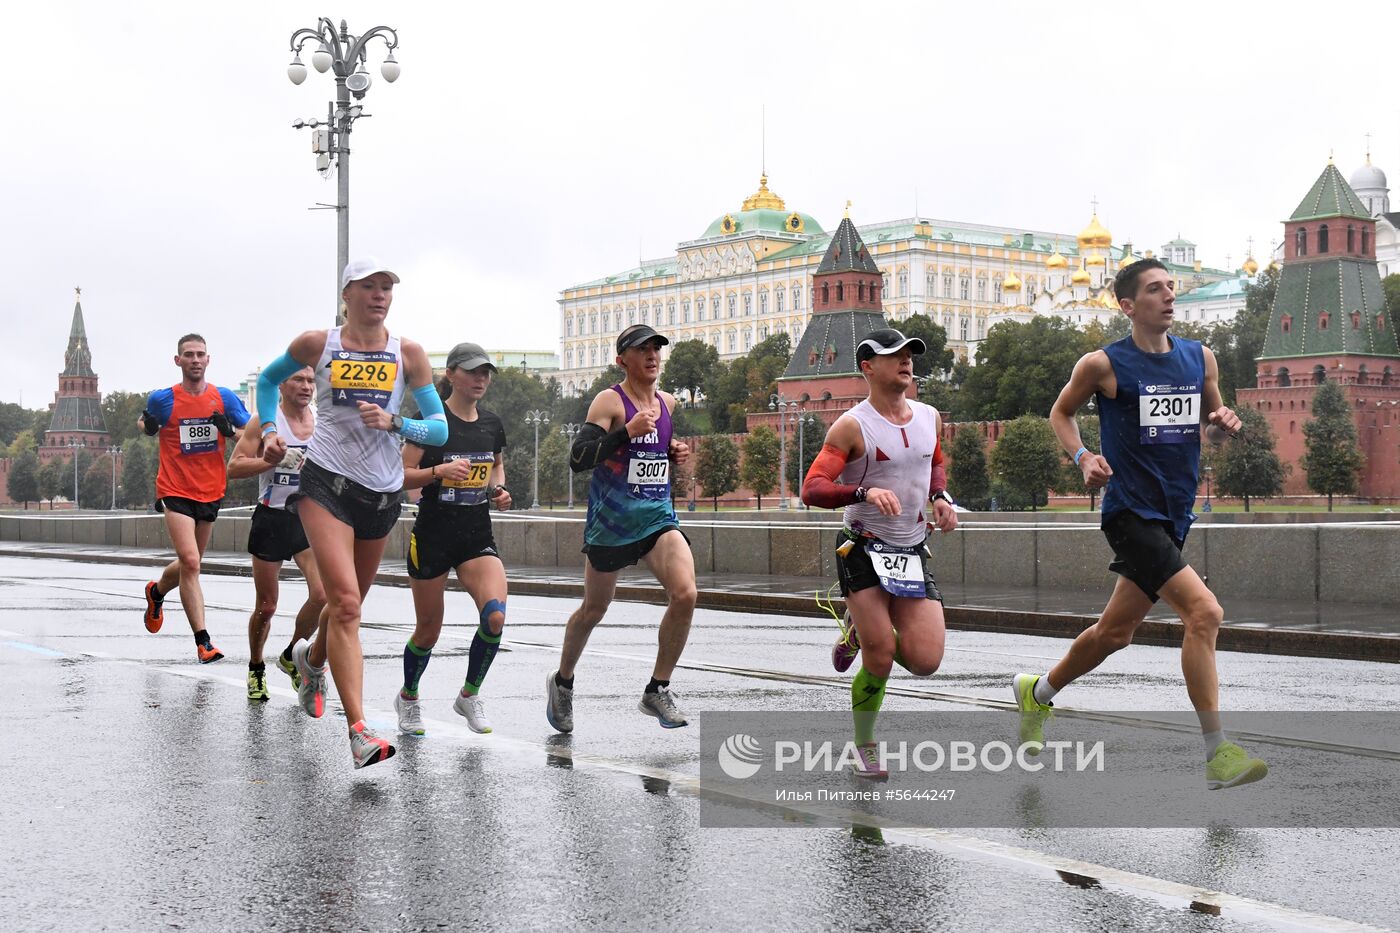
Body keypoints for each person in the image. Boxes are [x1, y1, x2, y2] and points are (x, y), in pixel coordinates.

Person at [1014, 257, 1268, 790]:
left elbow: (1209, 438)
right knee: (1205, 612)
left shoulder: (1201, 360)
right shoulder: (1103, 365)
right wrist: (1083, 456)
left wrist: (1225, 425)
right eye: (1155, 290)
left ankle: (1037, 693)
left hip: (1175, 514)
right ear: (1128, 306)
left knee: (1115, 633)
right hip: (1130, 513)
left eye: (1171, 287)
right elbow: (1060, 413)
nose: (1169, 296)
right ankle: (1217, 753)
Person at [256, 258, 447, 769]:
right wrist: (273, 433)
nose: (380, 295)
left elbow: (440, 430)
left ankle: (310, 660)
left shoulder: (408, 353)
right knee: (345, 606)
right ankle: (359, 730)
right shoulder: (318, 345)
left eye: (387, 287)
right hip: (325, 483)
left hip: (381, 494)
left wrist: (395, 422)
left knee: (348, 606)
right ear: (347, 294)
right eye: (369, 287)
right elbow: (265, 384)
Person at [801, 328, 957, 780]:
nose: (906, 362)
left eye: (910, 355)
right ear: (868, 367)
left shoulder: (930, 416)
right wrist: (865, 492)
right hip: (862, 548)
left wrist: (941, 498)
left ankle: (860, 631)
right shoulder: (853, 425)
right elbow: (812, 489)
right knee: (882, 654)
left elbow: (935, 462)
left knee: (926, 661)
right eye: (894, 356)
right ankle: (865, 744)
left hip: (910, 548)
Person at [546, 323, 694, 733]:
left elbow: (653, 451)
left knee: (685, 593)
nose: (651, 355)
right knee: (594, 609)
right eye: (641, 349)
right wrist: (625, 431)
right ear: (621, 359)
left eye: (656, 348)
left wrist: (671, 451)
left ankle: (657, 688)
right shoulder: (609, 401)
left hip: (656, 516)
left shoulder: (667, 403)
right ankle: (563, 681)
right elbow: (579, 458)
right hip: (611, 522)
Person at [395, 342, 512, 735]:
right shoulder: (430, 420)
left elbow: (495, 467)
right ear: (451, 375)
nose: (481, 379)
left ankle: (469, 695)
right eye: (473, 371)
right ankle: (408, 697)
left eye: (486, 372)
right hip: (433, 533)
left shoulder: (492, 424)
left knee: (494, 616)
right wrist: (438, 472)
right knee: (429, 630)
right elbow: (399, 475)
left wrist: (499, 491)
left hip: (476, 532)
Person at [139, 334, 251, 663]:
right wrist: (149, 426)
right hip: (174, 489)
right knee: (190, 562)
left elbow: (252, 434)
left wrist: (230, 432)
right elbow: (144, 421)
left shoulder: (224, 397)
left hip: (211, 490)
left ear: (208, 359)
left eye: (200, 354)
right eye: (189, 354)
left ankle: (156, 592)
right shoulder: (164, 399)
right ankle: (203, 642)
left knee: (192, 563)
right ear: (178, 361)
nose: (195, 359)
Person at [226, 364, 325, 702]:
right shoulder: (264, 422)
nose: (306, 386)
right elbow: (235, 467)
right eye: (298, 379)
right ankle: (256, 667)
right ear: (281, 385)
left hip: (308, 517)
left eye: (311, 380)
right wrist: (272, 461)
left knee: (322, 595)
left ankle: (291, 655)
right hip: (272, 516)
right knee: (267, 606)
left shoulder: (321, 423)